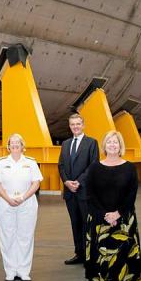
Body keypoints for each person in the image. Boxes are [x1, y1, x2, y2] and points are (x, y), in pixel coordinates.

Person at [85, 131, 141, 281]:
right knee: (101, 257)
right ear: (104, 145)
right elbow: (90, 195)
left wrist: (118, 213)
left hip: (124, 220)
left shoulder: (130, 168)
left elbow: (131, 195)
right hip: (99, 220)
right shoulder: (94, 167)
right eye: (109, 142)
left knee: (123, 257)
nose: (112, 145)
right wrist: (104, 215)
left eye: (115, 142)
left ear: (120, 145)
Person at [0, 133, 43, 281]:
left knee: (25, 236)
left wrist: (23, 197)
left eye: (17, 143)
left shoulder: (31, 162)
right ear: (8, 146)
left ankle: (24, 270)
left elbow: (36, 183)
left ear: (22, 146)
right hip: (5, 204)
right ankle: (10, 270)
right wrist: (8, 199)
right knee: (7, 236)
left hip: (27, 204)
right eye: (11, 143)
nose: (14, 145)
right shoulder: (1, 162)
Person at [58, 113, 99, 265]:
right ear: (70, 126)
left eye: (78, 124)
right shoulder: (65, 144)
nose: (75, 127)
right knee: (75, 223)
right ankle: (79, 253)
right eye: (72, 124)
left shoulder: (91, 143)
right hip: (70, 192)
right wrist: (67, 182)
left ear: (83, 125)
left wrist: (79, 182)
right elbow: (61, 165)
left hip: (84, 191)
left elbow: (93, 165)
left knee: (87, 224)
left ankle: (90, 256)